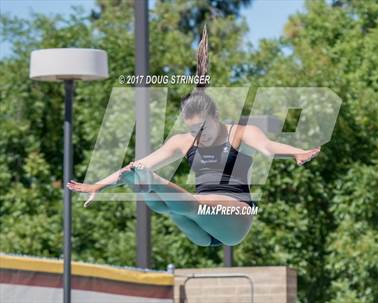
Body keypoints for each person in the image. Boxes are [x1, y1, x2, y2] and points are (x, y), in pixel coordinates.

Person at [67, 26, 320, 247]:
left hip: (234, 216)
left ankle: (151, 181)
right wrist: (98, 185)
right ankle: (146, 184)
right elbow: (135, 165)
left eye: (203, 128)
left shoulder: (241, 133)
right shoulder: (182, 141)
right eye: (192, 130)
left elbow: (267, 146)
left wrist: (295, 151)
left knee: (190, 204)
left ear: (216, 116)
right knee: (163, 206)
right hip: (201, 232)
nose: (198, 135)